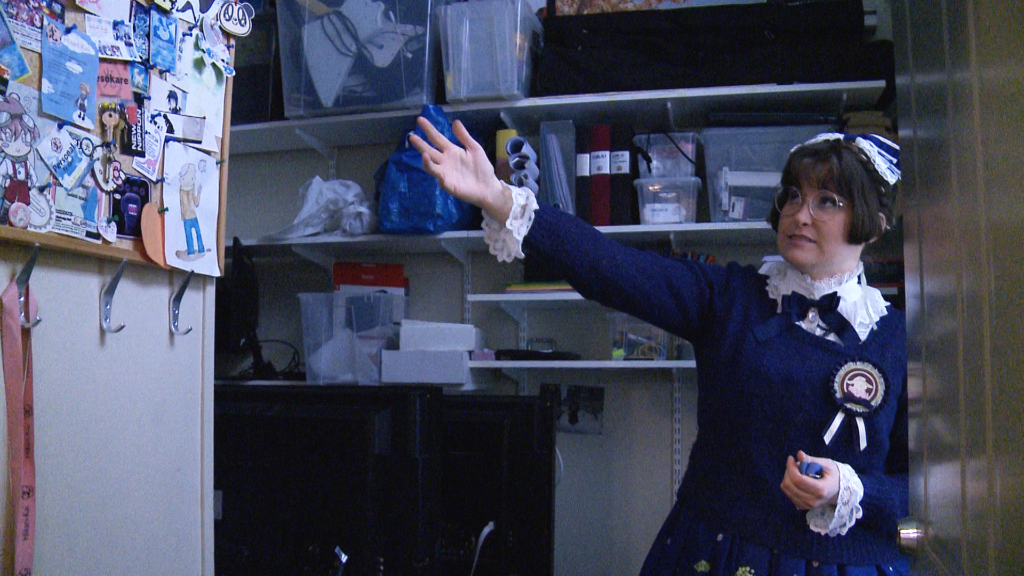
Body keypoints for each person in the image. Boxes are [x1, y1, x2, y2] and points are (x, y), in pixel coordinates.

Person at [409, 116, 909, 575]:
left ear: (874, 224)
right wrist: (500, 198)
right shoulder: (729, 298)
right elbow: (613, 268)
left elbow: (929, 490)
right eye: (793, 196)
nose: (800, 214)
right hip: (716, 552)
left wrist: (853, 490)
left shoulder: (900, 338)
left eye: (827, 201)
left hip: (849, 564)